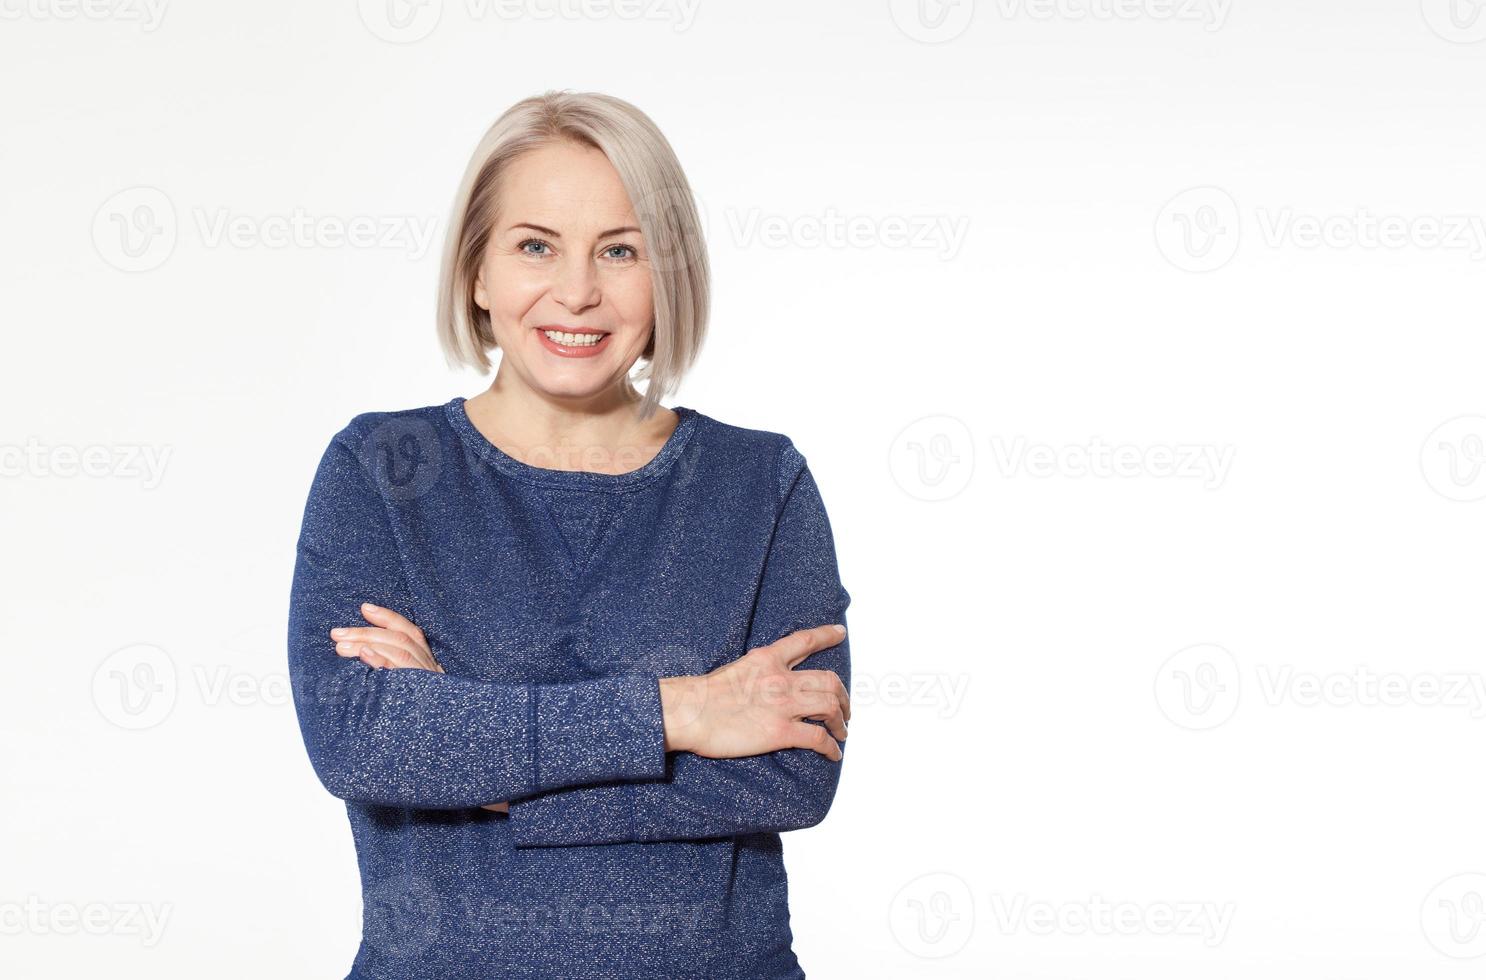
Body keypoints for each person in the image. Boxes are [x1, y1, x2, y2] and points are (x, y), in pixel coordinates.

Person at [286, 89, 853, 979]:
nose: (579, 291)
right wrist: (685, 712)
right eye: (535, 246)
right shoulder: (383, 466)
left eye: (620, 250)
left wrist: (480, 756)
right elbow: (368, 742)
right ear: (476, 271)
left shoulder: (759, 483)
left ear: (668, 273)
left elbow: (792, 772)